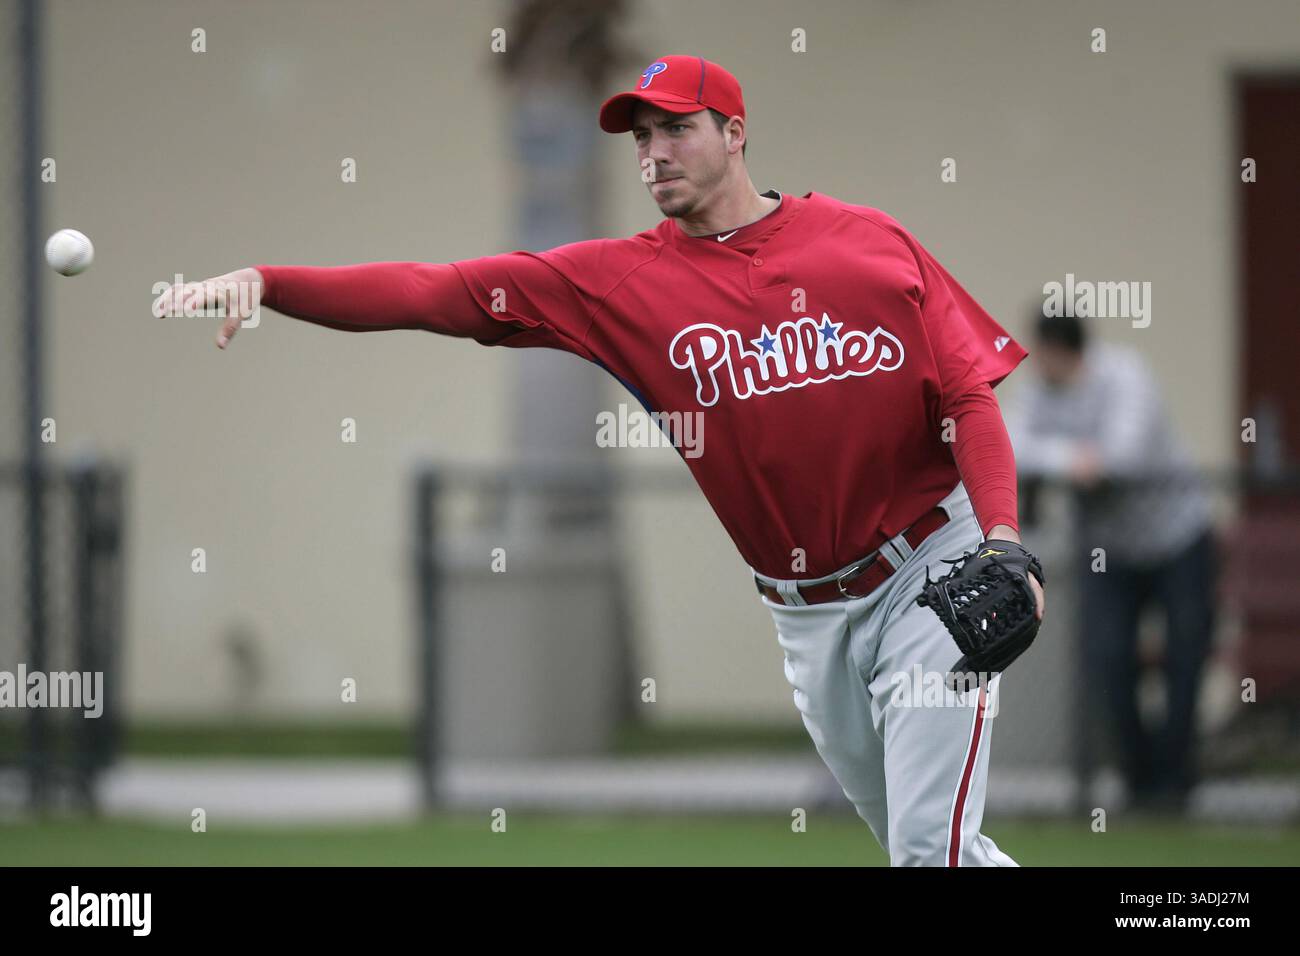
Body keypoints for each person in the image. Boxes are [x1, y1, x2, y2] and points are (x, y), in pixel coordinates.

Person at [155, 55, 1043, 865]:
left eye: (676, 128)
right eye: (641, 137)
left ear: (735, 134)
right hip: (804, 618)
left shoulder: (868, 242)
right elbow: (437, 292)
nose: (654, 152)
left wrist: (1001, 540)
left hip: (929, 572)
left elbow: (967, 398)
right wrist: (271, 283)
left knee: (930, 851)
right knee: (931, 848)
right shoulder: (618, 283)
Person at [1004, 311, 1216, 813]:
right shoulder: (1037, 392)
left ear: (1059, 350)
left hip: (1179, 540)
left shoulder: (1125, 375)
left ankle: (1176, 785)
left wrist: (1062, 458)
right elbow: (1008, 444)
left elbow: (1120, 460)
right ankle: (1140, 785)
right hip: (1109, 554)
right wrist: (1073, 460)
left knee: (1184, 661)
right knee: (1107, 660)